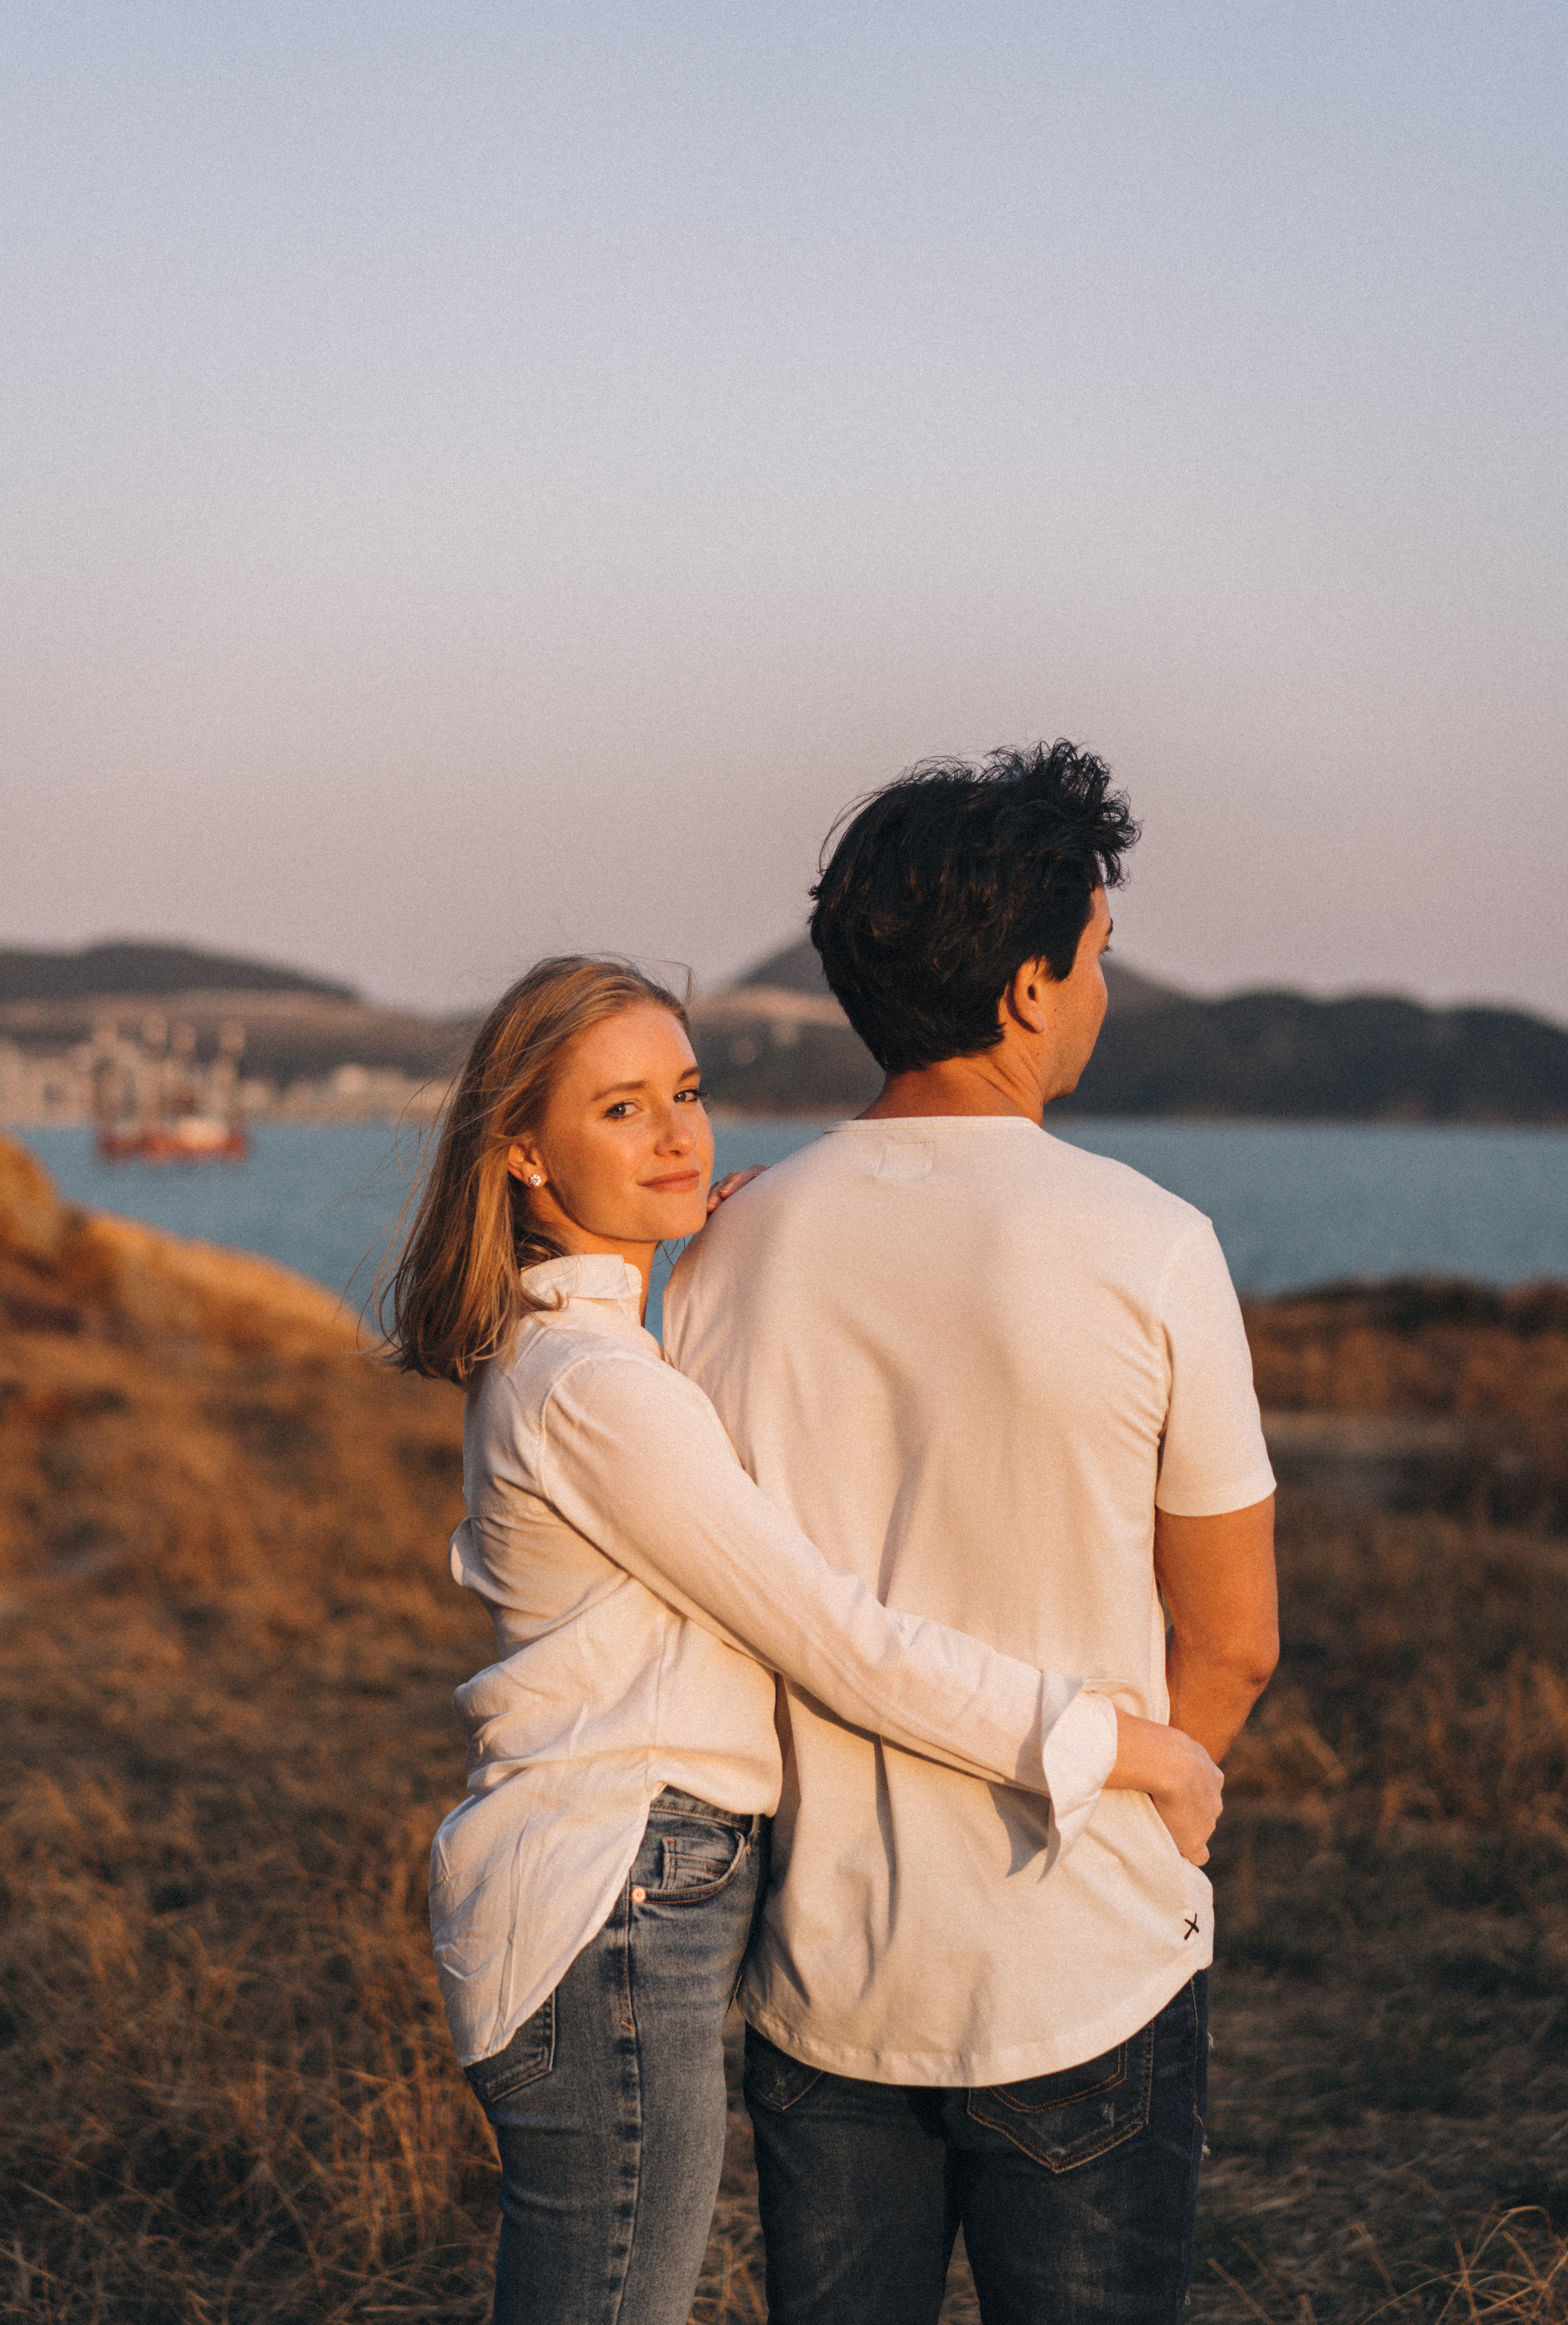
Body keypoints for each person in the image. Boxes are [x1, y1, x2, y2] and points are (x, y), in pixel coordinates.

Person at [383, 953, 1222, 2325]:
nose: (674, 1136)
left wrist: (702, 1247)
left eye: (688, 1093)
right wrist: (1129, 1747)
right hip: (614, 1904)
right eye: (620, 1110)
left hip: (611, 1895)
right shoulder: (598, 1390)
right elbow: (843, 1644)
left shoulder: (585, 1356)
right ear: (524, 1153)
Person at [665, 744, 1281, 2325]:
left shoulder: (730, 1253)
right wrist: (1145, 1814)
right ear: (1024, 989)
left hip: (821, 1976)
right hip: (1075, 1961)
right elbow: (1231, 1640)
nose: (1099, 997)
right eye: (1092, 962)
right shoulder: (1150, 1245)